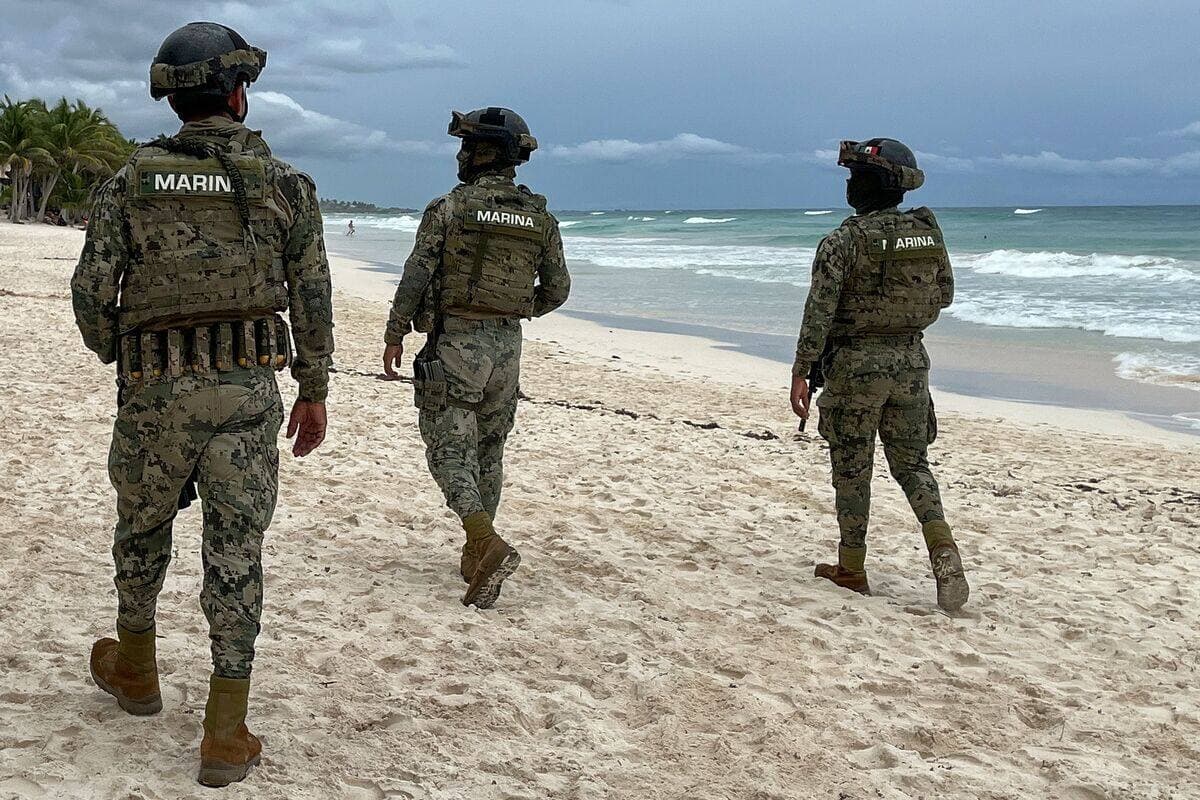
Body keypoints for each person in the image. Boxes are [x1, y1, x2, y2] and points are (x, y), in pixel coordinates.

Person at [71, 22, 334, 787]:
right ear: (239, 95)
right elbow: (313, 297)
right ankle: (224, 732)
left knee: (141, 528)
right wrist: (314, 389)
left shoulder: (129, 181)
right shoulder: (285, 184)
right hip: (248, 392)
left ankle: (137, 671)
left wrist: (123, 354)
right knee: (236, 550)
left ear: (174, 99)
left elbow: (91, 292)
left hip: (155, 392)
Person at [382, 107, 570, 609]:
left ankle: (484, 540)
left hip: (456, 342)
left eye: (467, 146)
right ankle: (474, 553)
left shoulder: (449, 208)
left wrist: (396, 332)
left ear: (483, 152)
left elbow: (417, 274)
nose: (460, 155)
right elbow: (558, 289)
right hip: (508, 347)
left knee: (447, 449)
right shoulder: (540, 218)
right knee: (490, 450)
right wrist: (515, 309)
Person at [789, 138, 969, 613]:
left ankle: (851, 567)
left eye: (855, 177)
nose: (849, 185)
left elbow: (819, 313)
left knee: (853, 468)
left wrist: (802, 370)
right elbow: (944, 294)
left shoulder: (842, 241)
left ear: (868, 186)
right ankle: (943, 549)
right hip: (911, 362)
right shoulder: (927, 234)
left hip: (854, 367)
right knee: (913, 465)